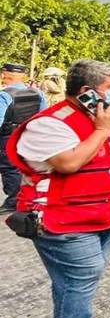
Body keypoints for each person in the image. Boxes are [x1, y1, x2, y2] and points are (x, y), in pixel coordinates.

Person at [4, 59, 110, 318]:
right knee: (80, 278)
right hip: (64, 221)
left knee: (75, 281)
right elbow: (69, 162)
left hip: (104, 214)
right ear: (86, 90)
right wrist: (100, 130)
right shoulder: (49, 123)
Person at [0, 62, 47, 213]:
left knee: (9, 168)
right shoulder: (37, 93)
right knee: (23, 166)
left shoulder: (4, 95)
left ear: (4, 75)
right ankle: (25, 197)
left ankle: (13, 200)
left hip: (8, 136)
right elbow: (42, 114)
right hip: (27, 134)